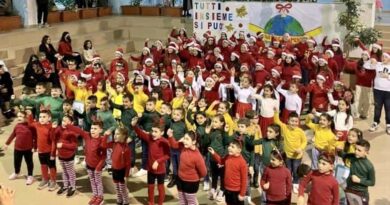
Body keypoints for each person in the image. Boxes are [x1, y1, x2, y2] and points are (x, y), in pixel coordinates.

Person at [66, 121, 109, 205]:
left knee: (98, 182)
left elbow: (104, 156)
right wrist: (68, 125)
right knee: (92, 181)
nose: (92, 130)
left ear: (101, 130)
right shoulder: (87, 136)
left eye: (95, 129)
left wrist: (98, 168)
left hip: (97, 167)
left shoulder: (102, 140)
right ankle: (95, 195)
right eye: (91, 128)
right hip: (89, 165)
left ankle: (100, 197)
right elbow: (79, 130)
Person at [132, 117, 170, 205]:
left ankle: (160, 203)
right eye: (152, 131)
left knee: (160, 187)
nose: (153, 133)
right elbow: (140, 133)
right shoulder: (150, 138)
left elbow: (168, 155)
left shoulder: (164, 142)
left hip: (161, 170)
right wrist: (134, 126)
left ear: (162, 132)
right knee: (150, 187)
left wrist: (158, 161)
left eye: (156, 132)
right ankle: (151, 202)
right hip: (150, 169)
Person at [167, 130, 207, 205]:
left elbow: (204, 172)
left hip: (191, 183)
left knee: (191, 202)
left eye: (187, 139)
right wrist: (170, 136)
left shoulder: (197, 156)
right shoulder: (183, 147)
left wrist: (197, 178)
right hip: (180, 179)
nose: (184, 141)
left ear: (194, 142)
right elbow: (174, 145)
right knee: (182, 200)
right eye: (184, 138)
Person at [208, 139, 248, 205]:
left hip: (236, 191)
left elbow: (244, 180)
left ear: (239, 150)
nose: (229, 148)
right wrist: (213, 153)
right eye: (229, 146)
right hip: (227, 189)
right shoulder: (228, 157)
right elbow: (221, 161)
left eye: (232, 147)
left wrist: (242, 194)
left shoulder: (242, 163)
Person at [4, 111, 36, 185]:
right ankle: (16, 172)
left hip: (28, 149)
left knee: (29, 162)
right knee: (16, 162)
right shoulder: (17, 126)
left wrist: (35, 147)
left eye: (21, 116)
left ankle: (30, 176)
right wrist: (7, 143)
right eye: (18, 116)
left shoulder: (30, 126)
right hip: (18, 148)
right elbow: (13, 135)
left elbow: (35, 137)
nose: (19, 118)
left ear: (26, 117)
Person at [103, 127, 131, 205]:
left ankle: (126, 201)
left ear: (124, 136)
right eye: (114, 134)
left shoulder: (126, 148)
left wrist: (126, 175)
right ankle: (119, 199)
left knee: (123, 188)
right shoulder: (114, 144)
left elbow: (128, 163)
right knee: (117, 187)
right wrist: (105, 135)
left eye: (117, 134)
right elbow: (103, 145)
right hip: (114, 169)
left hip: (122, 171)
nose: (114, 135)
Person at [345, 139, 375, 205]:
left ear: (366, 152)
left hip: (361, 193)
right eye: (355, 149)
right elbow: (342, 154)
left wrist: (359, 180)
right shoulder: (352, 157)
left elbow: (372, 182)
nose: (356, 152)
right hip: (349, 189)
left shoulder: (369, 166)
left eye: (359, 150)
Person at [369, 54, 390, 135]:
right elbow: (367, 66)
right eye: (383, 56)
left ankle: (388, 124)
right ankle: (375, 122)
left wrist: (388, 76)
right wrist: (372, 61)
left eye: (385, 57)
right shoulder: (378, 65)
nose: (383, 58)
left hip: (388, 91)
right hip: (377, 90)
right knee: (377, 107)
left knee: (388, 108)